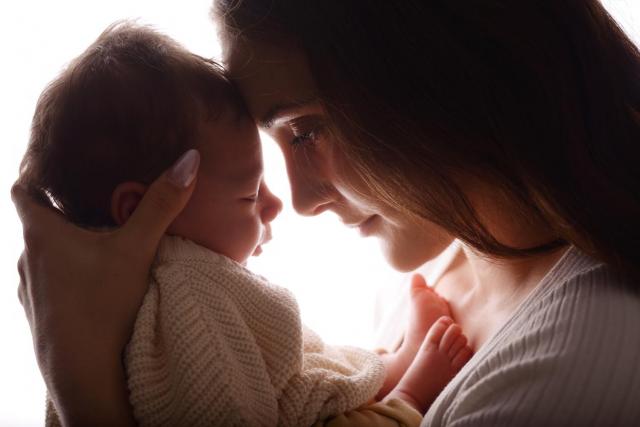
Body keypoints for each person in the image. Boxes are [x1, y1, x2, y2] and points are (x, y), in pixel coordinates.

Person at [12, 0, 640, 425]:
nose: (304, 203)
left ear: (441, 72)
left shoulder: (560, 373)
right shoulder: (448, 252)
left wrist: (84, 388)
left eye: (306, 131)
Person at [20, 22, 472, 426]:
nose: (280, 205)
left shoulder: (109, 305)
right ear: (143, 208)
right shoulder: (187, 297)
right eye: (250, 194)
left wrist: (388, 363)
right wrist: (409, 394)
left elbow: (292, 381)